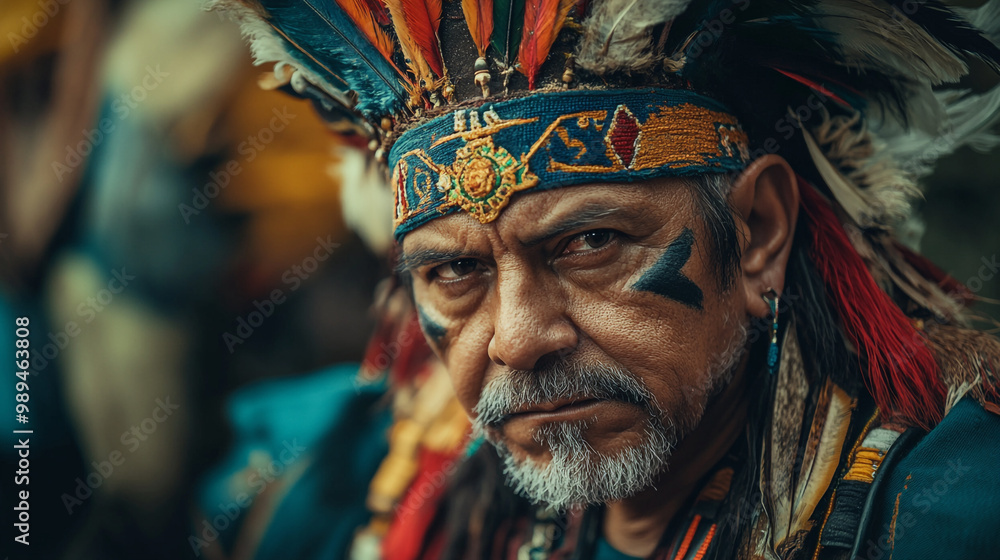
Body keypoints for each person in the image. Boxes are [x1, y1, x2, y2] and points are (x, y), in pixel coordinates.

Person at [208, 0, 1000, 558]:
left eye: (591, 242)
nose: (518, 339)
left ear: (757, 234)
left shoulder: (952, 507)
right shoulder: (375, 475)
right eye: (455, 269)